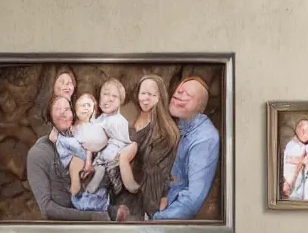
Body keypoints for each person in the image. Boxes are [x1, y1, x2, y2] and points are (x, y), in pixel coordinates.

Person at [27, 96, 118, 221]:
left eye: (67, 109)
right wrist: (93, 217)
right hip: (62, 230)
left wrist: (113, 211)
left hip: (94, 214)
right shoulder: (39, 153)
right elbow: (47, 208)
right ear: (49, 116)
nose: (64, 113)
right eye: (58, 109)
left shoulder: (82, 140)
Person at [151, 76, 220, 220]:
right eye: (178, 91)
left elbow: (192, 200)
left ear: (200, 107)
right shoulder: (176, 124)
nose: (179, 94)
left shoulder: (205, 138)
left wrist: (156, 221)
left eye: (187, 95)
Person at [115, 74, 181, 219]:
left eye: (152, 94)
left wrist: (163, 196)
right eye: (143, 93)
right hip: (122, 187)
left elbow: (162, 171)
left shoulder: (165, 132)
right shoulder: (131, 121)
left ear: (160, 97)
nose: (146, 98)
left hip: (146, 193)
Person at [84, 78, 134, 194]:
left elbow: (123, 141)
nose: (109, 99)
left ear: (121, 101)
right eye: (105, 94)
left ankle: (112, 174)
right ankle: (98, 178)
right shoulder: (100, 118)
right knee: (99, 166)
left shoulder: (119, 120)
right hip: (100, 155)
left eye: (114, 96)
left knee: (109, 152)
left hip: (115, 152)